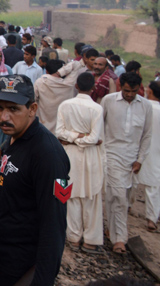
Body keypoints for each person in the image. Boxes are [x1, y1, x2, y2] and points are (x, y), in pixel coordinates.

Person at [0, 75, 70, 286]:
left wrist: (42, 281)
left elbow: (54, 226)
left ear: (32, 109)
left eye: (14, 109)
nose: (4, 117)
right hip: (0, 256)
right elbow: (17, 186)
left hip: (20, 265)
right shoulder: (14, 137)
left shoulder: (48, 154)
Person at [101, 72, 153, 255]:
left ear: (140, 89)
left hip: (132, 161)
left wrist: (140, 160)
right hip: (111, 155)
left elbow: (147, 136)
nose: (129, 94)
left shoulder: (146, 106)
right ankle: (120, 239)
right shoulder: (108, 101)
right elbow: (101, 128)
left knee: (117, 197)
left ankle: (110, 229)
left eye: (133, 91)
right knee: (119, 198)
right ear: (120, 86)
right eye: (126, 90)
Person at [55, 72, 106, 254]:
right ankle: (90, 240)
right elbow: (94, 138)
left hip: (69, 154)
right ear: (93, 88)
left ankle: (73, 237)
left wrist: (72, 138)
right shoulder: (97, 109)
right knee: (91, 196)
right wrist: (83, 138)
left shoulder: (65, 105)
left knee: (71, 194)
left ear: (76, 86)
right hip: (90, 156)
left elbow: (59, 132)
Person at [132, 80, 160, 232]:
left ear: (150, 92)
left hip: (136, 149)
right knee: (154, 186)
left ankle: (127, 205)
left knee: (131, 181)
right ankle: (151, 219)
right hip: (158, 152)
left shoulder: (140, 106)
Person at [35, 59, 75, 133]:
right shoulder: (69, 85)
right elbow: (76, 66)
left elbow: (32, 100)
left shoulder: (40, 82)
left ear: (46, 71)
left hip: (43, 128)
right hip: (63, 131)